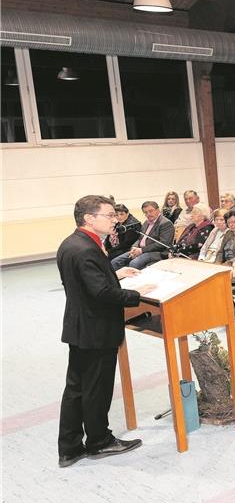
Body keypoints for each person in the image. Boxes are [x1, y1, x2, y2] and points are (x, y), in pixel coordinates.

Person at [56, 195, 155, 467]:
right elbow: (100, 292)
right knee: (97, 389)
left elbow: (87, 280)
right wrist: (137, 295)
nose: (114, 220)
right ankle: (99, 441)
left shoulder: (72, 243)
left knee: (76, 388)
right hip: (97, 329)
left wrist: (114, 272)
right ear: (89, 218)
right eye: (109, 215)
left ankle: (69, 447)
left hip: (79, 326)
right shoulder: (86, 248)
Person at [111, 200, 174, 271]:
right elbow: (139, 238)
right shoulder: (146, 222)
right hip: (141, 250)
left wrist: (141, 250)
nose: (148, 214)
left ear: (158, 210)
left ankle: (132, 281)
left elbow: (163, 244)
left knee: (134, 263)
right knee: (115, 262)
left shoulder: (166, 223)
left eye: (151, 211)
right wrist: (134, 247)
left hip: (158, 252)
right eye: (145, 212)